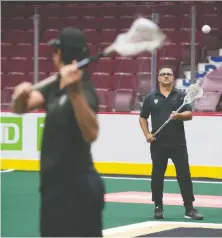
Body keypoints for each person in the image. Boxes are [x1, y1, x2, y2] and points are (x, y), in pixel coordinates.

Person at [11, 27, 105, 237]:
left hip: (78, 189)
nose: (53, 55)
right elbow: (20, 109)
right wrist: (19, 96)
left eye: (55, 50)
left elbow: (91, 133)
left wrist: (75, 94)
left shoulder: (85, 91)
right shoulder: (54, 85)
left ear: (60, 54)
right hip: (53, 187)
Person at [139, 67, 203, 220]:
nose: (166, 76)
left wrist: (178, 115)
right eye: (163, 74)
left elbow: (189, 115)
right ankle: (158, 207)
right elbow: (142, 118)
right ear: (159, 78)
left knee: (184, 175)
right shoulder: (150, 97)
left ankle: (189, 209)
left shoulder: (181, 95)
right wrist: (147, 134)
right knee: (157, 175)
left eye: (169, 74)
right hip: (158, 143)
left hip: (178, 143)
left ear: (173, 78)